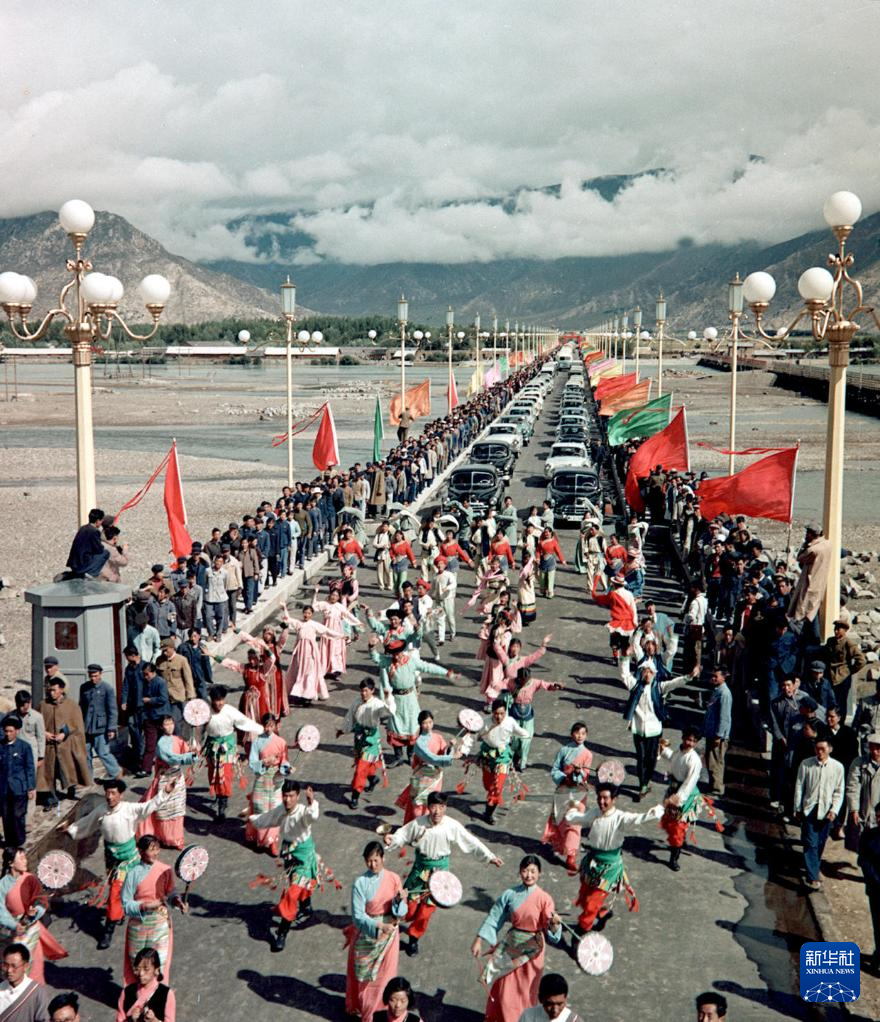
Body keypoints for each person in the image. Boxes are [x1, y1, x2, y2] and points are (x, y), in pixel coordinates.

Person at [60, 777, 174, 950]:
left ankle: (108, 930)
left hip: (128, 860)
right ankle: (119, 912)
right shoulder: (101, 810)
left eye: (113, 793)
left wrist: (165, 792)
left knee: (115, 892)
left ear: (121, 794)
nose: (109, 796)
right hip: (111, 858)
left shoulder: (130, 809)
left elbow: (149, 806)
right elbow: (87, 822)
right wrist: (70, 830)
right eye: (107, 793)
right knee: (120, 889)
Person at [385, 792, 501, 957]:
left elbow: (470, 841)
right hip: (420, 870)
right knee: (409, 907)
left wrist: (489, 856)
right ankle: (394, 921)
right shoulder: (418, 824)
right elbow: (402, 834)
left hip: (439, 875)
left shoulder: (451, 825)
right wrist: (393, 840)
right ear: (428, 807)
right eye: (433, 807)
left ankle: (413, 938)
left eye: (441, 807)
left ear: (445, 808)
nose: (437, 811)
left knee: (426, 911)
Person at [471, 856, 562, 1022]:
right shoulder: (510, 894)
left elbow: (550, 925)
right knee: (505, 991)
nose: (529, 875)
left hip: (533, 950)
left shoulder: (545, 899)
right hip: (511, 945)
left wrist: (555, 924)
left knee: (527, 993)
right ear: (520, 872)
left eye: (533, 871)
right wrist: (479, 939)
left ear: (539, 873)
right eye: (525, 871)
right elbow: (495, 916)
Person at [564, 783, 662, 933]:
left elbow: (637, 818)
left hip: (609, 868)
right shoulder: (594, 814)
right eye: (599, 798)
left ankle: (579, 935)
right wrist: (572, 808)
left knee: (591, 904)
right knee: (584, 897)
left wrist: (657, 811)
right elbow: (577, 818)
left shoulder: (620, 817)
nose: (601, 802)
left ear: (614, 799)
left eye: (605, 798)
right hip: (592, 864)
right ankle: (602, 914)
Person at [248, 780, 320, 952]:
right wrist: (251, 818)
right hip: (289, 854)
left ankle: (281, 933)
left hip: (304, 856)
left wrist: (312, 802)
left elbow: (313, 816)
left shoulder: (303, 811)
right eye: (285, 796)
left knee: (291, 893)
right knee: (297, 884)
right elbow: (266, 819)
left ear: (297, 796)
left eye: (291, 796)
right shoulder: (281, 810)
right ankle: (306, 906)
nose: (287, 800)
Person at [619, 655, 699, 801]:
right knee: (641, 757)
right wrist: (625, 657)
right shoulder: (635, 686)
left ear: (654, 673)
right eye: (645, 671)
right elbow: (625, 675)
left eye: (650, 672)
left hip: (654, 730)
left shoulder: (659, 687)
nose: (647, 674)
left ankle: (647, 779)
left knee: (651, 758)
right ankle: (642, 784)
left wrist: (689, 676)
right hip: (638, 729)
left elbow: (674, 683)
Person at [369, 638, 458, 767]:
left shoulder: (411, 661)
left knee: (412, 726)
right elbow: (376, 658)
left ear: (403, 651)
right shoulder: (387, 662)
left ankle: (411, 755)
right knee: (396, 726)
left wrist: (446, 673)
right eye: (394, 654)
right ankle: (398, 757)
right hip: (396, 700)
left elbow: (428, 667)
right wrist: (371, 647)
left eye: (398, 653)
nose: (396, 656)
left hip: (410, 699)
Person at [344, 842, 407, 1022]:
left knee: (386, 978)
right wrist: (379, 926)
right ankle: (368, 1016)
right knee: (366, 981)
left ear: (383, 858)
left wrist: (399, 901)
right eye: (369, 861)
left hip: (390, 936)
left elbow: (401, 912)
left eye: (376, 860)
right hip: (367, 935)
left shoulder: (394, 879)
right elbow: (358, 916)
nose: (372, 865)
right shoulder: (360, 883)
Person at [121, 835, 187, 985]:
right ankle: (138, 996)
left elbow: (171, 893)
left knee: (159, 964)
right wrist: (144, 906)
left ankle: (158, 995)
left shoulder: (165, 870)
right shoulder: (132, 874)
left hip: (159, 923)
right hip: (138, 925)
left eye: (157, 848)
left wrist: (178, 902)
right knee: (138, 966)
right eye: (152, 849)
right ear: (140, 851)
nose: (156, 852)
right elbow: (125, 904)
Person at [0, 848, 67, 984]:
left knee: (35, 967)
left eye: (25, 857)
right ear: (11, 863)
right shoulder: (2, 885)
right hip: (12, 933)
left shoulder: (30, 879)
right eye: (21, 858)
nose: (25, 861)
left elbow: (41, 900)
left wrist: (34, 912)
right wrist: (14, 924)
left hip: (31, 930)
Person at [794, 735, 845, 890]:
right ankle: (813, 877)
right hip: (809, 808)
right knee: (810, 842)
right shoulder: (806, 764)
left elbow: (839, 791)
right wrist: (797, 808)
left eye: (823, 749)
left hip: (826, 810)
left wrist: (834, 810)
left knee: (820, 842)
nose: (820, 752)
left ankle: (813, 866)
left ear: (830, 749)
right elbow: (799, 787)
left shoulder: (838, 767)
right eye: (817, 749)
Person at [204, 685, 262, 821]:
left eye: (221, 700)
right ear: (211, 700)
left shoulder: (230, 711)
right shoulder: (205, 712)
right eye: (216, 700)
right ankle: (218, 796)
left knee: (225, 775)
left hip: (227, 748)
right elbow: (198, 728)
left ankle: (222, 806)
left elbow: (244, 722)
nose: (219, 703)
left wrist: (261, 729)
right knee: (213, 774)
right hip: (212, 747)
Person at [136, 716, 195, 850]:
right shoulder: (161, 743)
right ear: (161, 727)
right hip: (166, 778)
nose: (170, 727)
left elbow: (186, 750)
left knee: (178, 808)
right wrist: (190, 757)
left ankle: (177, 838)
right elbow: (172, 758)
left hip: (178, 778)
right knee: (165, 809)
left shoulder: (177, 739)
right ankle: (165, 837)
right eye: (166, 724)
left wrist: (193, 749)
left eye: (171, 723)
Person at [542, 722, 593, 872]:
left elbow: (586, 775)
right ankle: (561, 846)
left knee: (575, 823)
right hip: (563, 790)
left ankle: (571, 856)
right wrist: (565, 777)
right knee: (561, 821)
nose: (580, 736)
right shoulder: (563, 750)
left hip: (579, 793)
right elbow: (554, 769)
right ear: (572, 734)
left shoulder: (588, 754)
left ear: (586, 735)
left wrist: (578, 773)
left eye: (583, 733)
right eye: (577, 733)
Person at [394, 710, 457, 822]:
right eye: (425, 723)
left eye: (430, 722)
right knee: (418, 804)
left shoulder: (438, 737)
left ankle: (428, 826)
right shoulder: (419, 743)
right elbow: (432, 758)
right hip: (421, 776)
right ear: (420, 724)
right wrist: (451, 757)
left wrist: (450, 747)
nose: (428, 725)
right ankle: (416, 826)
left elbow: (444, 752)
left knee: (431, 803)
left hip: (436, 777)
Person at [37, 679, 90, 811]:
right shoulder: (43, 705)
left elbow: (77, 725)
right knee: (48, 773)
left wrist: (64, 734)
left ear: (61, 690)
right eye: (50, 690)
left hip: (66, 747)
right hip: (49, 748)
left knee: (67, 770)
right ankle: (51, 799)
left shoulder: (71, 705)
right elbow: (37, 723)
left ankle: (71, 788)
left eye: (54, 690)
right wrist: (44, 733)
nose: (51, 693)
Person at [658, 727, 706, 872]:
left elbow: (689, 783)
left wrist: (678, 799)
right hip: (673, 790)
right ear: (683, 737)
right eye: (688, 739)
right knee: (671, 825)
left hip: (684, 795)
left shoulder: (695, 761)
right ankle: (679, 842)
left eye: (694, 741)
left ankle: (674, 858)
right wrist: (663, 750)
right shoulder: (679, 751)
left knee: (677, 828)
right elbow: (673, 758)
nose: (690, 743)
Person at [338, 679, 389, 809]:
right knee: (363, 764)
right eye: (362, 690)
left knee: (360, 769)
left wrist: (388, 698)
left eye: (366, 691)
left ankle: (355, 796)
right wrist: (343, 730)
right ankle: (372, 779)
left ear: (372, 690)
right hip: (359, 739)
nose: (363, 693)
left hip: (371, 742)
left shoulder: (377, 704)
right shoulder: (357, 702)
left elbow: (387, 711)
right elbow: (350, 717)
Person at [478, 698, 531, 823]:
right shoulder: (485, 723)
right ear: (492, 712)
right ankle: (491, 798)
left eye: (502, 713)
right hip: (487, 757)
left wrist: (525, 736)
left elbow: (523, 733)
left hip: (503, 758)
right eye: (496, 714)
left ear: (506, 712)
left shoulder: (510, 722)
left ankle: (488, 813)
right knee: (488, 785)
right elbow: (474, 735)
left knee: (497, 787)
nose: (499, 717)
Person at [245, 714, 289, 854]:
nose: (269, 729)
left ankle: (273, 842)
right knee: (260, 808)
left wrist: (286, 768)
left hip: (275, 779)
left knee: (275, 810)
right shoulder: (257, 742)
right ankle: (260, 838)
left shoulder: (281, 742)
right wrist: (263, 762)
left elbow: (284, 761)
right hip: (261, 779)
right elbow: (252, 763)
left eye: (271, 726)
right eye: (266, 726)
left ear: (275, 725)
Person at [283, 605, 344, 704]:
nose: (306, 615)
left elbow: (327, 631)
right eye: (305, 612)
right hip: (300, 653)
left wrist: (341, 636)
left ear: (312, 614)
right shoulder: (299, 623)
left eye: (309, 613)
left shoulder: (314, 625)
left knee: (310, 673)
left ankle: (308, 695)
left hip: (311, 653)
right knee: (300, 672)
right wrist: (284, 608)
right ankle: (301, 693)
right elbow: (287, 619)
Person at [78, 664, 122, 781]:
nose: (93, 678)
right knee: (86, 753)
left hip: (101, 726)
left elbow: (112, 710)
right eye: (91, 676)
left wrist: (111, 728)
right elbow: (81, 707)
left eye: (96, 676)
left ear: (100, 674)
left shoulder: (107, 689)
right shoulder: (84, 687)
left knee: (103, 752)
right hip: (87, 726)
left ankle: (115, 772)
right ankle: (87, 778)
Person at [116, 947, 177, 1022]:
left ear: (157, 970)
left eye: (146, 969)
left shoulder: (167, 994)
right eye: (137, 969)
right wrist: (131, 1019)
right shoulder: (126, 992)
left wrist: (154, 1020)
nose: (141, 973)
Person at [0, 718, 35, 848]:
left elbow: (29, 768)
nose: (8, 734)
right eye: (6, 731)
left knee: (18, 815)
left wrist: (31, 787)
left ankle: (20, 842)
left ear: (17, 731)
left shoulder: (24, 747)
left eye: (10, 731)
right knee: (6, 816)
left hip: (19, 787)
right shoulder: (1, 746)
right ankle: (9, 843)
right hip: (3, 788)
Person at [592, 574, 637, 663]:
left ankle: (616, 657)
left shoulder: (612, 594)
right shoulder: (629, 594)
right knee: (625, 642)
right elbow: (633, 609)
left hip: (616, 622)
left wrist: (594, 594)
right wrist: (635, 622)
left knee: (614, 642)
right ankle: (626, 658)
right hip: (627, 623)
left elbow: (602, 599)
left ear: (615, 584)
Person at [0, 943, 50, 1022]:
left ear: (26, 966)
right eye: (6, 965)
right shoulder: (1, 988)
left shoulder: (37, 992)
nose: (9, 970)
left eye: (14, 966)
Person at [703, 668, 732, 797]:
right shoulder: (717, 691)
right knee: (711, 760)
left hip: (717, 735)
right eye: (712, 675)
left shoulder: (724, 694)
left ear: (724, 677)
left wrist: (719, 735)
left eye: (716, 676)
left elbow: (724, 717)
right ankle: (712, 785)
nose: (713, 678)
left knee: (716, 762)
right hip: (711, 732)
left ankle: (717, 789)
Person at [517, 972, 584, 1022]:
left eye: (559, 1004)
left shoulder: (574, 1020)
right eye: (549, 1004)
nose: (555, 1010)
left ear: (565, 999)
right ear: (540, 998)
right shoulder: (528, 1016)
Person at [65, 507, 109, 578]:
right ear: (98, 521)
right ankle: (91, 573)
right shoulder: (94, 531)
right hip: (82, 564)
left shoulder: (83, 528)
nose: (101, 523)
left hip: (74, 564)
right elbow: (99, 549)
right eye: (101, 521)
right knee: (106, 552)